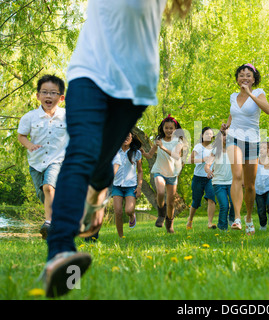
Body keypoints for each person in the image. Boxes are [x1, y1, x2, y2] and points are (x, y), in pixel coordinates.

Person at [41, 0, 192, 298]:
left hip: (135, 85)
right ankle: (60, 253)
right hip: (91, 72)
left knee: (99, 166)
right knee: (81, 152)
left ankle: (96, 197)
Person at [221, 63, 269, 235]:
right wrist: (226, 126)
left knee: (249, 185)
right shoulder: (232, 96)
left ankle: (249, 217)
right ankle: (237, 218)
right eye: (241, 75)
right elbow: (232, 114)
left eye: (248, 75)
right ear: (237, 79)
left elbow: (268, 110)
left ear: (254, 79)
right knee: (236, 176)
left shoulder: (258, 92)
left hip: (252, 140)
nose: (244, 77)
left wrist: (249, 93)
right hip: (233, 138)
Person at [17, 75, 68, 240]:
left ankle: (49, 223)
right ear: (38, 95)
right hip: (36, 163)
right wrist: (29, 145)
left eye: (53, 93)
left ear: (61, 98)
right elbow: (21, 136)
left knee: (48, 187)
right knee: (44, 194)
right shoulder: (29, 117)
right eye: (44, 92)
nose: (48, 96)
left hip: (57, 160)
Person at [142, 115, 185, 233]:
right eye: (166, 128)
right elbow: (150, 155)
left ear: (175, 129)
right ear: (163, 128)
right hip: (159, 170)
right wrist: (143, 153)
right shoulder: (158, 140)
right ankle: (161, 214)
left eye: (171, 128)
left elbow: (177, 156)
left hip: (172, 173)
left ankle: (169, 224)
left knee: (171, 202)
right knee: (160, 192)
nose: (169, 130)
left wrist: (163, 147)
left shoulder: (178, 141)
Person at [112, 133, 143, 238]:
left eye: (128, 136)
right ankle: (121, 237)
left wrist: (139, 187)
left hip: (131, 186)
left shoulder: (136, 153)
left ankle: (131, 216)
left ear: (131, 138)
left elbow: (140, 171)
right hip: (116, 185)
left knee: (128, 210)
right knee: (118, 212)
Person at [186, 127, 217, 229]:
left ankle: (210, 223)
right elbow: (190, 160)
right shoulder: (198, 147)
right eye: (206, 134)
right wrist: (203, 159)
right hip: (198, 178)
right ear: (202, 136)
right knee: (196, 201)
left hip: (209, 178)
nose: (209, 135)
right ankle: (190, 220)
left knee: (211, 197)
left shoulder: (214, 149)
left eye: (210, 134)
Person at [204, 130, 235, 231]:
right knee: (224, 205)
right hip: (218, 182)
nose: (226, 137)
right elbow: (207, 165)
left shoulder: (235, 150)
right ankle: (222, 227)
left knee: (234, 203)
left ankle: (231, 219)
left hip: (232, 182)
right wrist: (208, 171)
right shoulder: (215, 150)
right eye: (224, 135)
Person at [255, 142, 269, 231]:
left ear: (268, 150)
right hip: (258, 189)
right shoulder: (255, 162)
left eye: (264, 148)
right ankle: (263, 225)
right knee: (261, 210)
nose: (261, 150)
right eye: (260, 148)